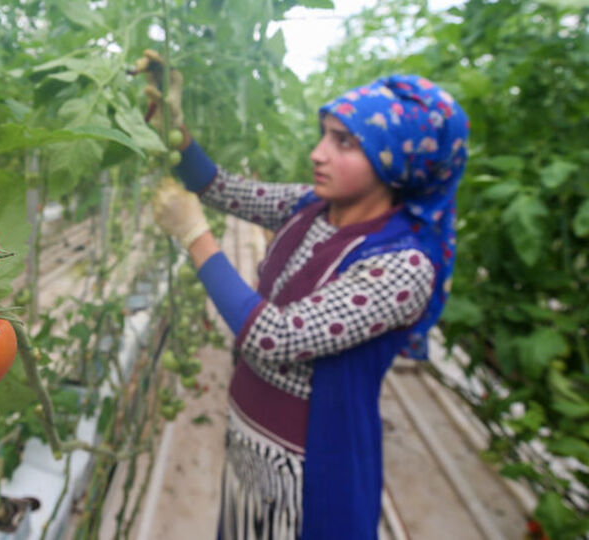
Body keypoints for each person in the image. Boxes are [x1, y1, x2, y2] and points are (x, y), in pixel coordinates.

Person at [136, 51, 469, 539]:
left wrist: (195, 237)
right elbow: (223, 188)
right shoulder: (311, 208)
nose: (319, 152)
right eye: (324, 135)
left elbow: (274, 337)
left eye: (344, 142)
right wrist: (176, 128)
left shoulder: (404, 265)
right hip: (252, 455)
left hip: (311, 477)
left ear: (394, 163)